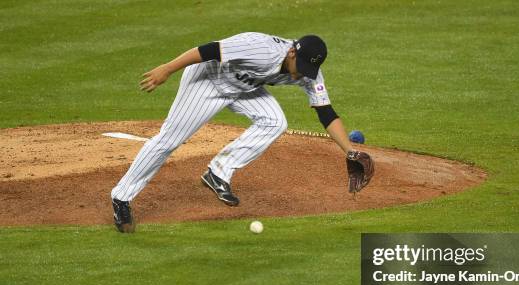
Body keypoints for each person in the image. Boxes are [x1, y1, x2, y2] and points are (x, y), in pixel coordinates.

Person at [111, 32, 372, 233]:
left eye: (308, 70)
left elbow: (325, 111)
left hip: (243, 89)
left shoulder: (308, 73)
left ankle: (218, 172)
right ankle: (121, 197)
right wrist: (167, 68)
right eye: (300, 67)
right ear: (292, 52)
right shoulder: (260, 48)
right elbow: (208, 50)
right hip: (207, 81)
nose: (301, 75)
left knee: (274, 121)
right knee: (169, 141)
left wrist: (350, 151)